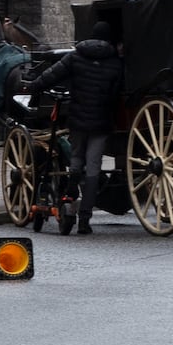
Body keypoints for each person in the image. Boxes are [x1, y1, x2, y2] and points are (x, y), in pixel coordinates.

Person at [27, 21, 123, 235]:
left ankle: (70, 196)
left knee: (77, 158)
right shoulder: (115, 63)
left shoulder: (76, 56)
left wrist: (33, 86)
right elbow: (116, 93)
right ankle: (85, 220)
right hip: (101, 121)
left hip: (78, 118)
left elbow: (53, 74)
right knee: (94, 167)